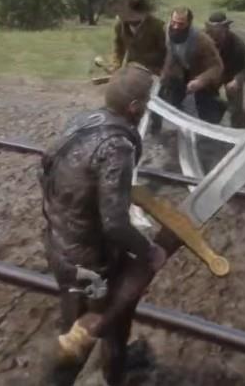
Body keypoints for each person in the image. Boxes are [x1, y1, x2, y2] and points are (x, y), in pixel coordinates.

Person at [39, 64, 168, 386]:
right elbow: (114, 224)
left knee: (99, 320)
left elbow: (45, 170)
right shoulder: (117, 147)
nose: (147, 107)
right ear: (134, 107)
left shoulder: (82, 121)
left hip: (59, 244)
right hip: (89, 264)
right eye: (146, 101)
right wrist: (149, 251)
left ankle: (110, 370)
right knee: (90, 330)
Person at [150, 6, 224, 135]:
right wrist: (163, 74)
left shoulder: (202, 40)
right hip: (178, 73)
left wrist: (201, 81)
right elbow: (168, 52)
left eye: (181, 24)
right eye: (174, 22)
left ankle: (211, 129)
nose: (176, 27)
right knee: (167, 98)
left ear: (189, 23)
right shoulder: (166, 30)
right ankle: (160, 129)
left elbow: (217, 67)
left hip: (200, 75)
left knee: (209, 113)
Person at [204, 11, 245, 128]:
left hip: (231, 74)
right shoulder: (202, 39)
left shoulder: (237, 44)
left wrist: (237, 80)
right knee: (204, 99)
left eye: (220, 30)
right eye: (212, 30)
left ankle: (240, 129)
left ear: (226, 29)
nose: (216, 34)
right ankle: (210, 124)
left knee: (236, 105)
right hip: (211, 73)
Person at [109, 0, 166, 74]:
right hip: (131, 69)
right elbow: (119, 48)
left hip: (154, 70)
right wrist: (116, 66)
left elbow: (166, 52)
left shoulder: (158, 26)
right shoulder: (120, 26)